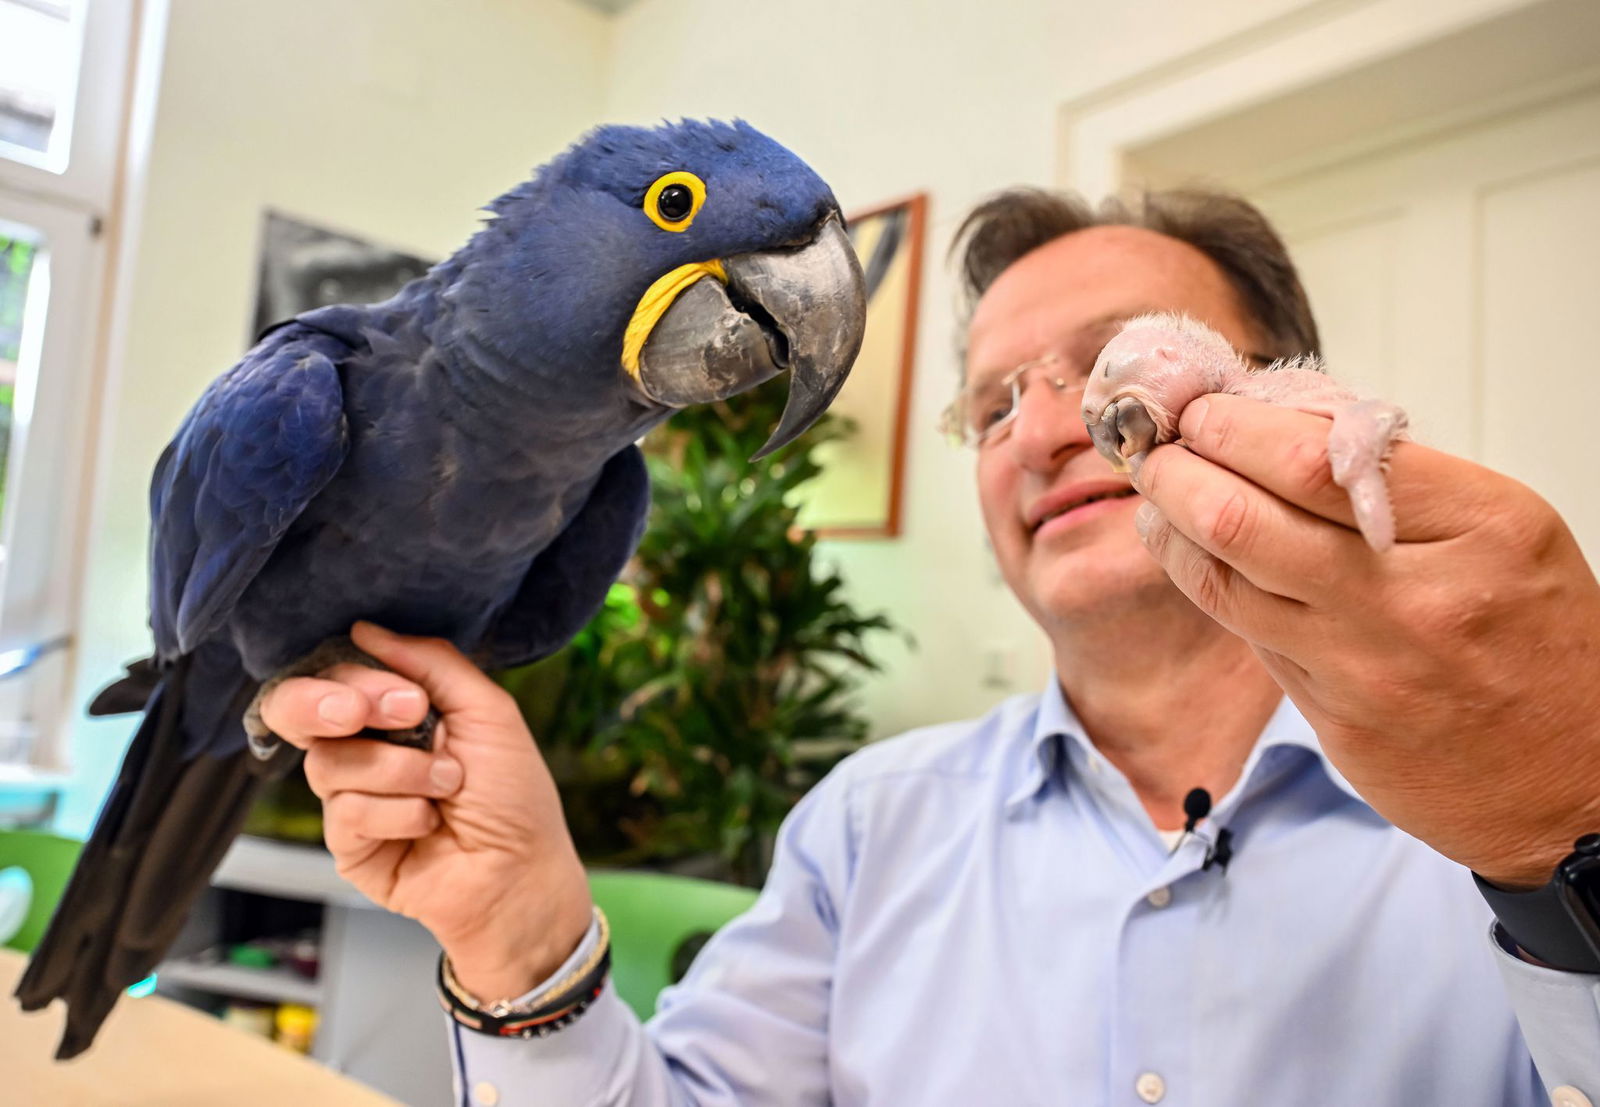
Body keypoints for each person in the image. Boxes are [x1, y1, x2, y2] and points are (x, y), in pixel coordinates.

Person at [260, 187, 1600, 1105]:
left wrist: (1565, 841)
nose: (1051, 427)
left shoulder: (1502, 805)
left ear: (1285, 388)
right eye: (995, 403)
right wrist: (524, 946)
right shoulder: (865, 832)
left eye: (1116, 361)